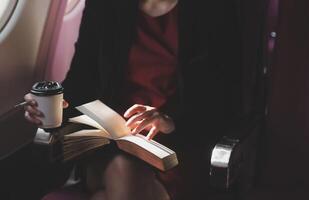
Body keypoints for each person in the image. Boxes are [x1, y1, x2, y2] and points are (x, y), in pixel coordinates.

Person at [24, 0, 244, 199]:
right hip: (108, 139)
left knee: (115, 184)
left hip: (175, 143)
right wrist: (50, 105)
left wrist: (169, 121)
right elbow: (82, 81)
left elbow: (224, 100)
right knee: (122, 167)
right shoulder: (105, 6)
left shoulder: (213, 9)